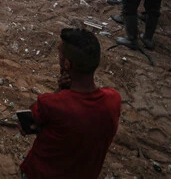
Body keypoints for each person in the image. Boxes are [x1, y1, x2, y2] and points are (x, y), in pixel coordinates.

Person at [19, 28, 121, 179]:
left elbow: (27, 124)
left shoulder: (52, 103)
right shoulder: (113, 99)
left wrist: (59, 91)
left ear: (67, 64)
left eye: (60, 53)